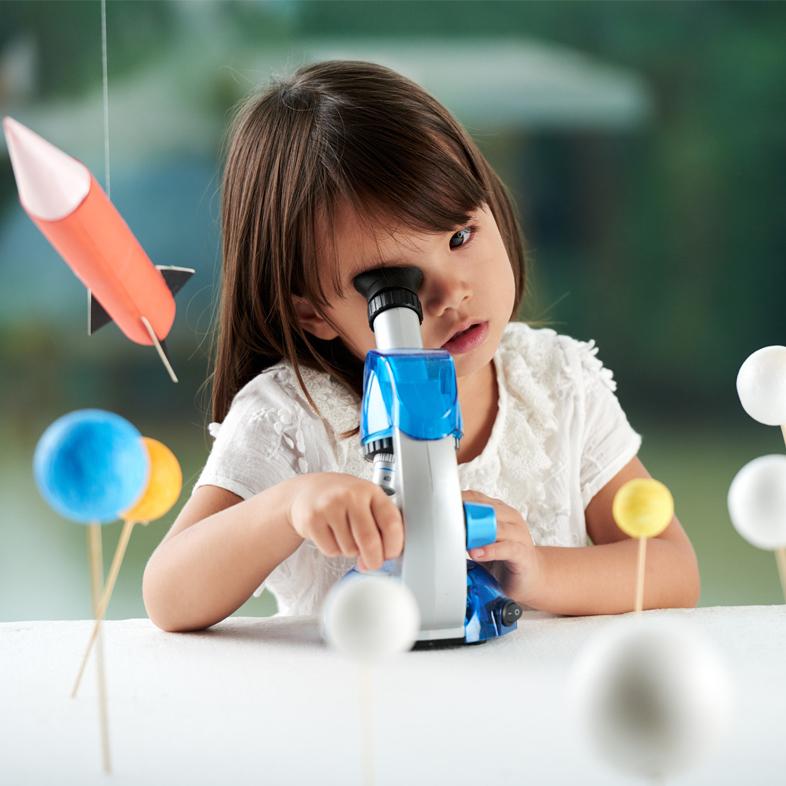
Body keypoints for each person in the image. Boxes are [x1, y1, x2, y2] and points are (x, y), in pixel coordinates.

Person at [143, 60, 700, 633]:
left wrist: (539, 572)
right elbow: (168, 595)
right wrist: (288, 507)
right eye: (394, 286)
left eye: (460, 236)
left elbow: (672, 568)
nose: (450, 292)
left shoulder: (556, 383)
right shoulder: (289, 415)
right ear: (311, 311)